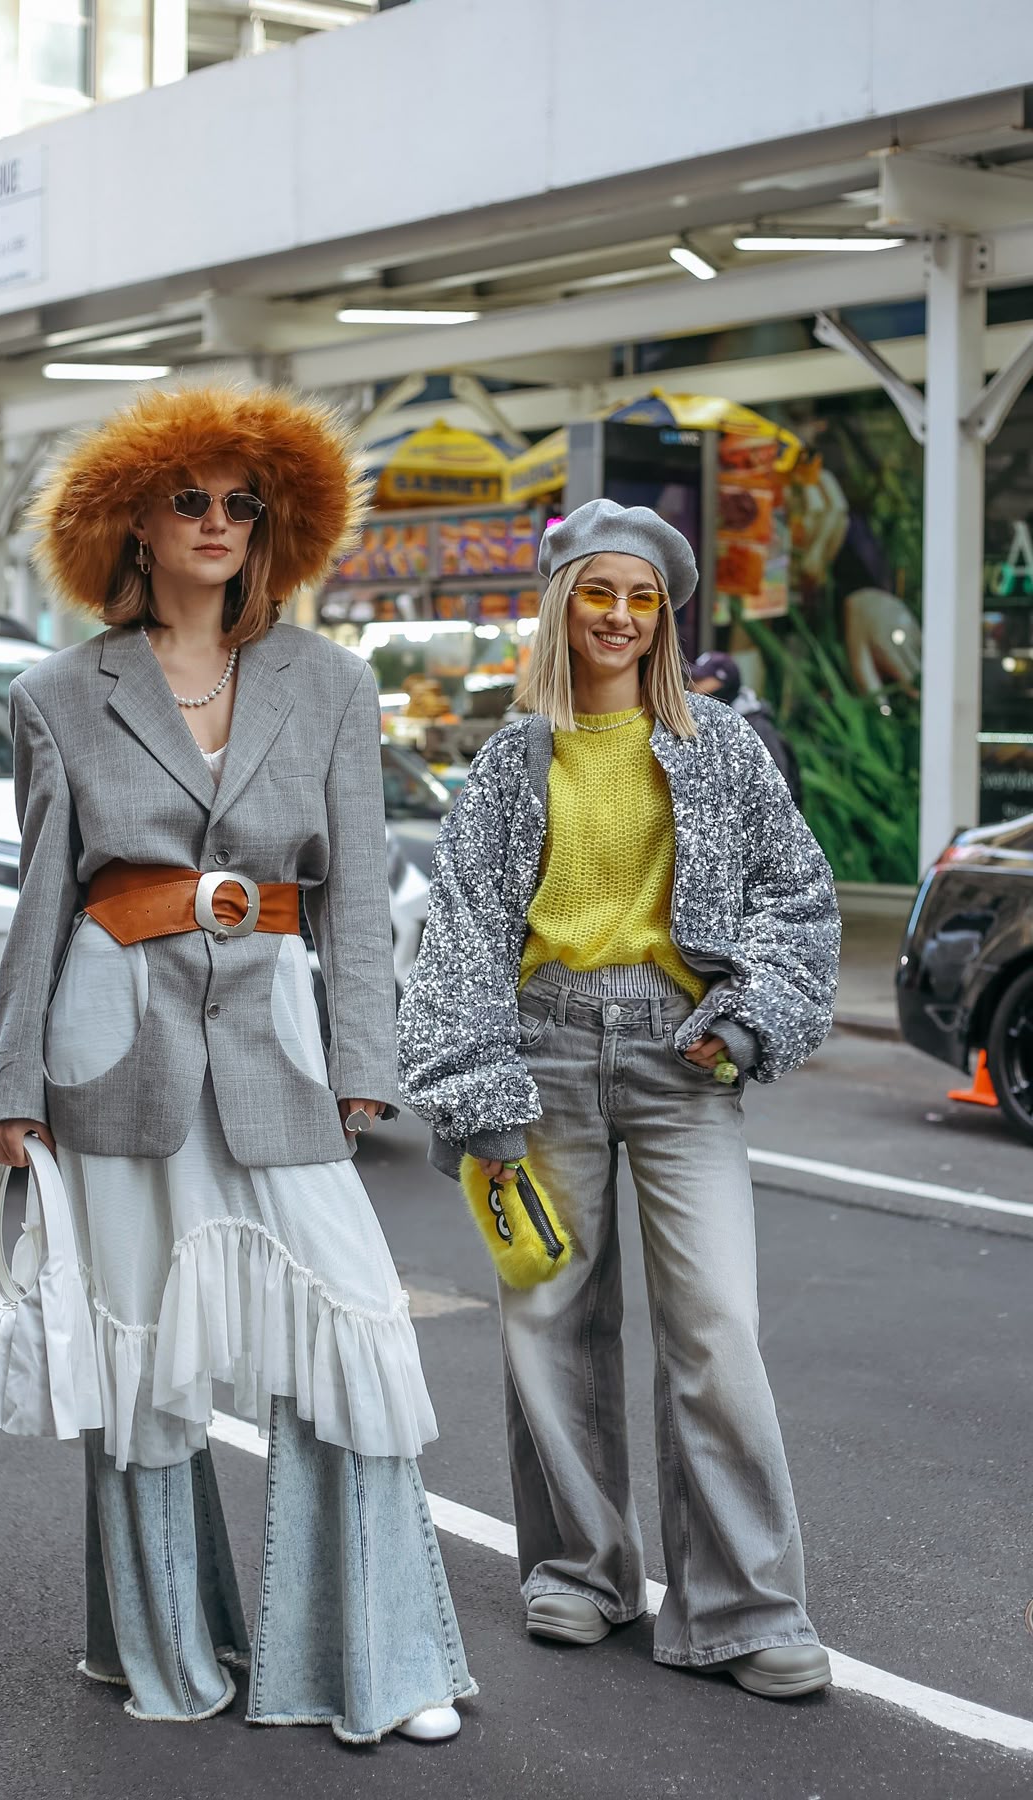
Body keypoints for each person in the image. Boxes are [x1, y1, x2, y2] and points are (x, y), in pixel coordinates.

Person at [0, 383, 475, 1743]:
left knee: (349, 1322)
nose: (216, 521)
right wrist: (13, 1088)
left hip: (275, 1035)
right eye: (187, 499)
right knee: (139, 1353)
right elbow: (39, 898)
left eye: (241, 503)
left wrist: (365, 1052)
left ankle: (377, 1662)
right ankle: (167, 1652)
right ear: (132, 523)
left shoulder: (332, 682)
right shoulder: (55, 694)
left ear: (271, 527)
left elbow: (357, 894)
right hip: (107, 1034)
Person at [397, 499, 840, 1701]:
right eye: (600, 593)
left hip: (686, 1056)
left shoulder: (722, 745)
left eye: (643, 599)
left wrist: (750, 1020)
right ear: (562, 605)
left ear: (664, 615)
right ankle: (580, 1571)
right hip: (541, 1051)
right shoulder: (509, 762)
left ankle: (746, 1607)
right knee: (550, 1321)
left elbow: (796, 898)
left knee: (717, 1327)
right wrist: (476, 1091)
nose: (622, 617)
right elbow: (464, 936)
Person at [690, 649, 804, 806]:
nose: (695, 687)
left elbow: (776, 791)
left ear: (724, 682)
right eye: (694, 680)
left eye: (702, 680)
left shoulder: (757, 728)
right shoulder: (712, 724)